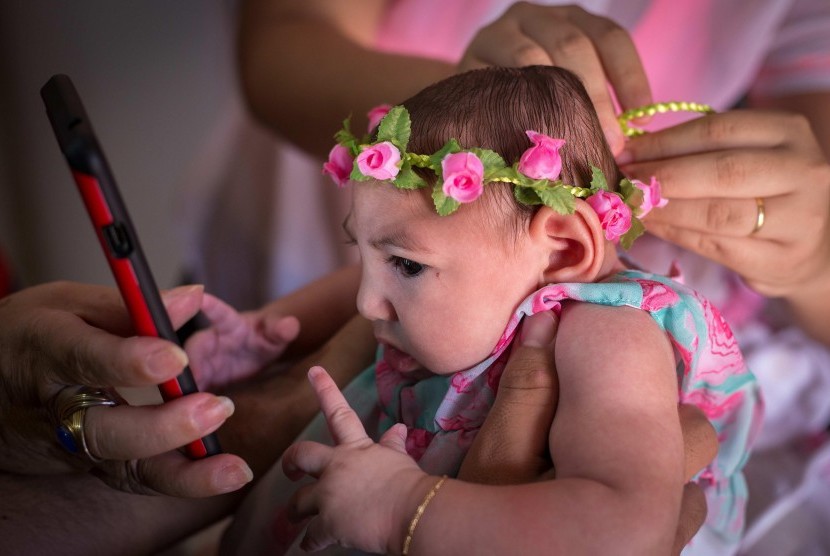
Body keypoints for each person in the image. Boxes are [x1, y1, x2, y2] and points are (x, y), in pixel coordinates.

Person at [220, 66, 762, 555]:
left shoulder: (610, 335)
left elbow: (622, 530)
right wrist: (273, 324)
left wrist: (397, 507)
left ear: (565, 250)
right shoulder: (484, 293)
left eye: (406, 267)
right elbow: (358, 285)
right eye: (363, 254)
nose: (367, 303)